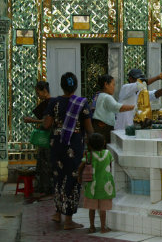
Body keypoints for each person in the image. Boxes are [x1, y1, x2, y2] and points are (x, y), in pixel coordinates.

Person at [43, 72, 93, 230]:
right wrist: (94, 143)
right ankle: (69, 220)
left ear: (62, 86)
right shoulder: (81, 103)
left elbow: (46, 125)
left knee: (58, 177)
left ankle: (58, 214)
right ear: (75, 86)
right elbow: (89, 128)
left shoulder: (54, 103)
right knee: (72, 179)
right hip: (74, 145)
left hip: (57, 145)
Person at [78, 133, 115, 234]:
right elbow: (110, 165)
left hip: (92, 185)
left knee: (92, 208)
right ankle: (103, 228)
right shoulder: (108, 153)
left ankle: (92, 227)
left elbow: (81, 166)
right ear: (103, 143)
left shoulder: (89, 155)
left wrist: (79, 177)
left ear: (89, 145)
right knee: (103, 209)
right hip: (105, 184)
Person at [24, 81, 53, 197]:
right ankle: (43, 186)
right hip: (45, 138)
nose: (38, 95)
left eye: (38, 92)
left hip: (49, 137)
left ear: (44, 91)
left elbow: (47, 122)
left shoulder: (51, 103)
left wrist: (32, 121)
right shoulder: (46, 103)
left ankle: (48, 187)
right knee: (43, 162)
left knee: (47, 163)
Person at [92, 74, 135, 145]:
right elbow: (116, 107)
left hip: (98, 126)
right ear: (106, 84)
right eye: (113, 85)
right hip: (103, 128)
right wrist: (133, 107)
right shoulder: (106, 97)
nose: (114, 88)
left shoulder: (98, 95)